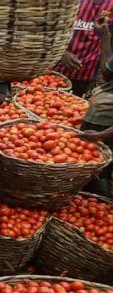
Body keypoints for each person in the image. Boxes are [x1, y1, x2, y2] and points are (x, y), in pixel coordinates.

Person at [78, 12, 113, 198]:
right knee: (86, 166)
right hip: (100, 119)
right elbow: (107, 72)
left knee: (98, 172)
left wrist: (101, 135)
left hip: (107, 127)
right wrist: (105, 37)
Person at [54, 0, 113, 97]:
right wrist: (61, 53)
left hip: (86, 75)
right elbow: (48, 29)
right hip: (58, 70)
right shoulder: (71, 3)